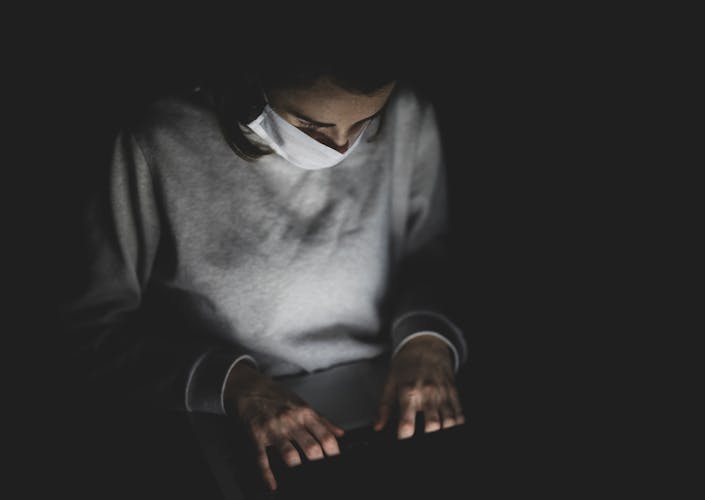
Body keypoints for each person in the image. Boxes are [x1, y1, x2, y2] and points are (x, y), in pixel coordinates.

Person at [58, 46, 469, 492]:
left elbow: (428, 256)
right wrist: (233, 385)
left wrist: (427, 340)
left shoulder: (407, 113)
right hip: (222, 409)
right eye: (311, 127)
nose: (340, 149)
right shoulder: (154, 140)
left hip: (385, 385)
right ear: (250, 77)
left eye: (364, 125)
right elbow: (89, 330)